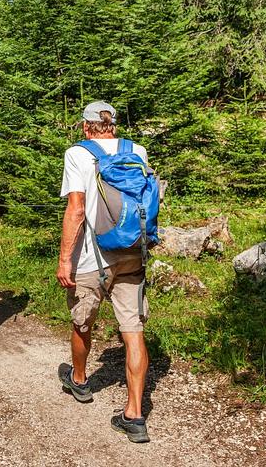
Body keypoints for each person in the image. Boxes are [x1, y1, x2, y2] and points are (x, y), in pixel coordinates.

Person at [56, 101, 152, 443]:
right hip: (133, 252)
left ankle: (80, 379)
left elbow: (76, 209)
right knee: (133, 330)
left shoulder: (78, 154)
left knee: (82, 320)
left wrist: (64, 259)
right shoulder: (137, 150)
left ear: (86, 126)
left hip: (92, 258)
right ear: (113, 125)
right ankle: (134, 415)